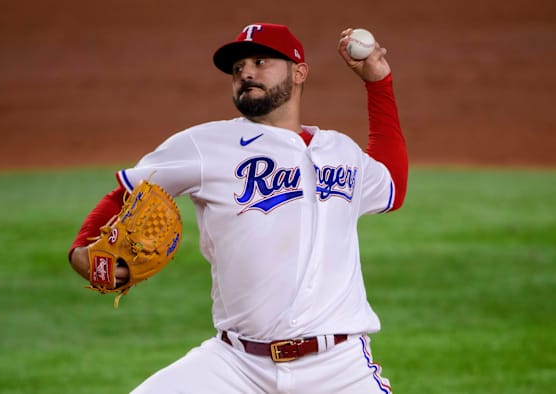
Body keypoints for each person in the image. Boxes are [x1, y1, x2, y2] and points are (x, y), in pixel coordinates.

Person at [69, 23, 407, 394]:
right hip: (236, 366)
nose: (246, 72)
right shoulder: (205, 144)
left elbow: (392, 185)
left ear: (299, 72)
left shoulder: (340, 151)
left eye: (261, 62)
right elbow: (125, 193)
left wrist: (378, 82)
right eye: (237, 68)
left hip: (339, 370)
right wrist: (82, 252)